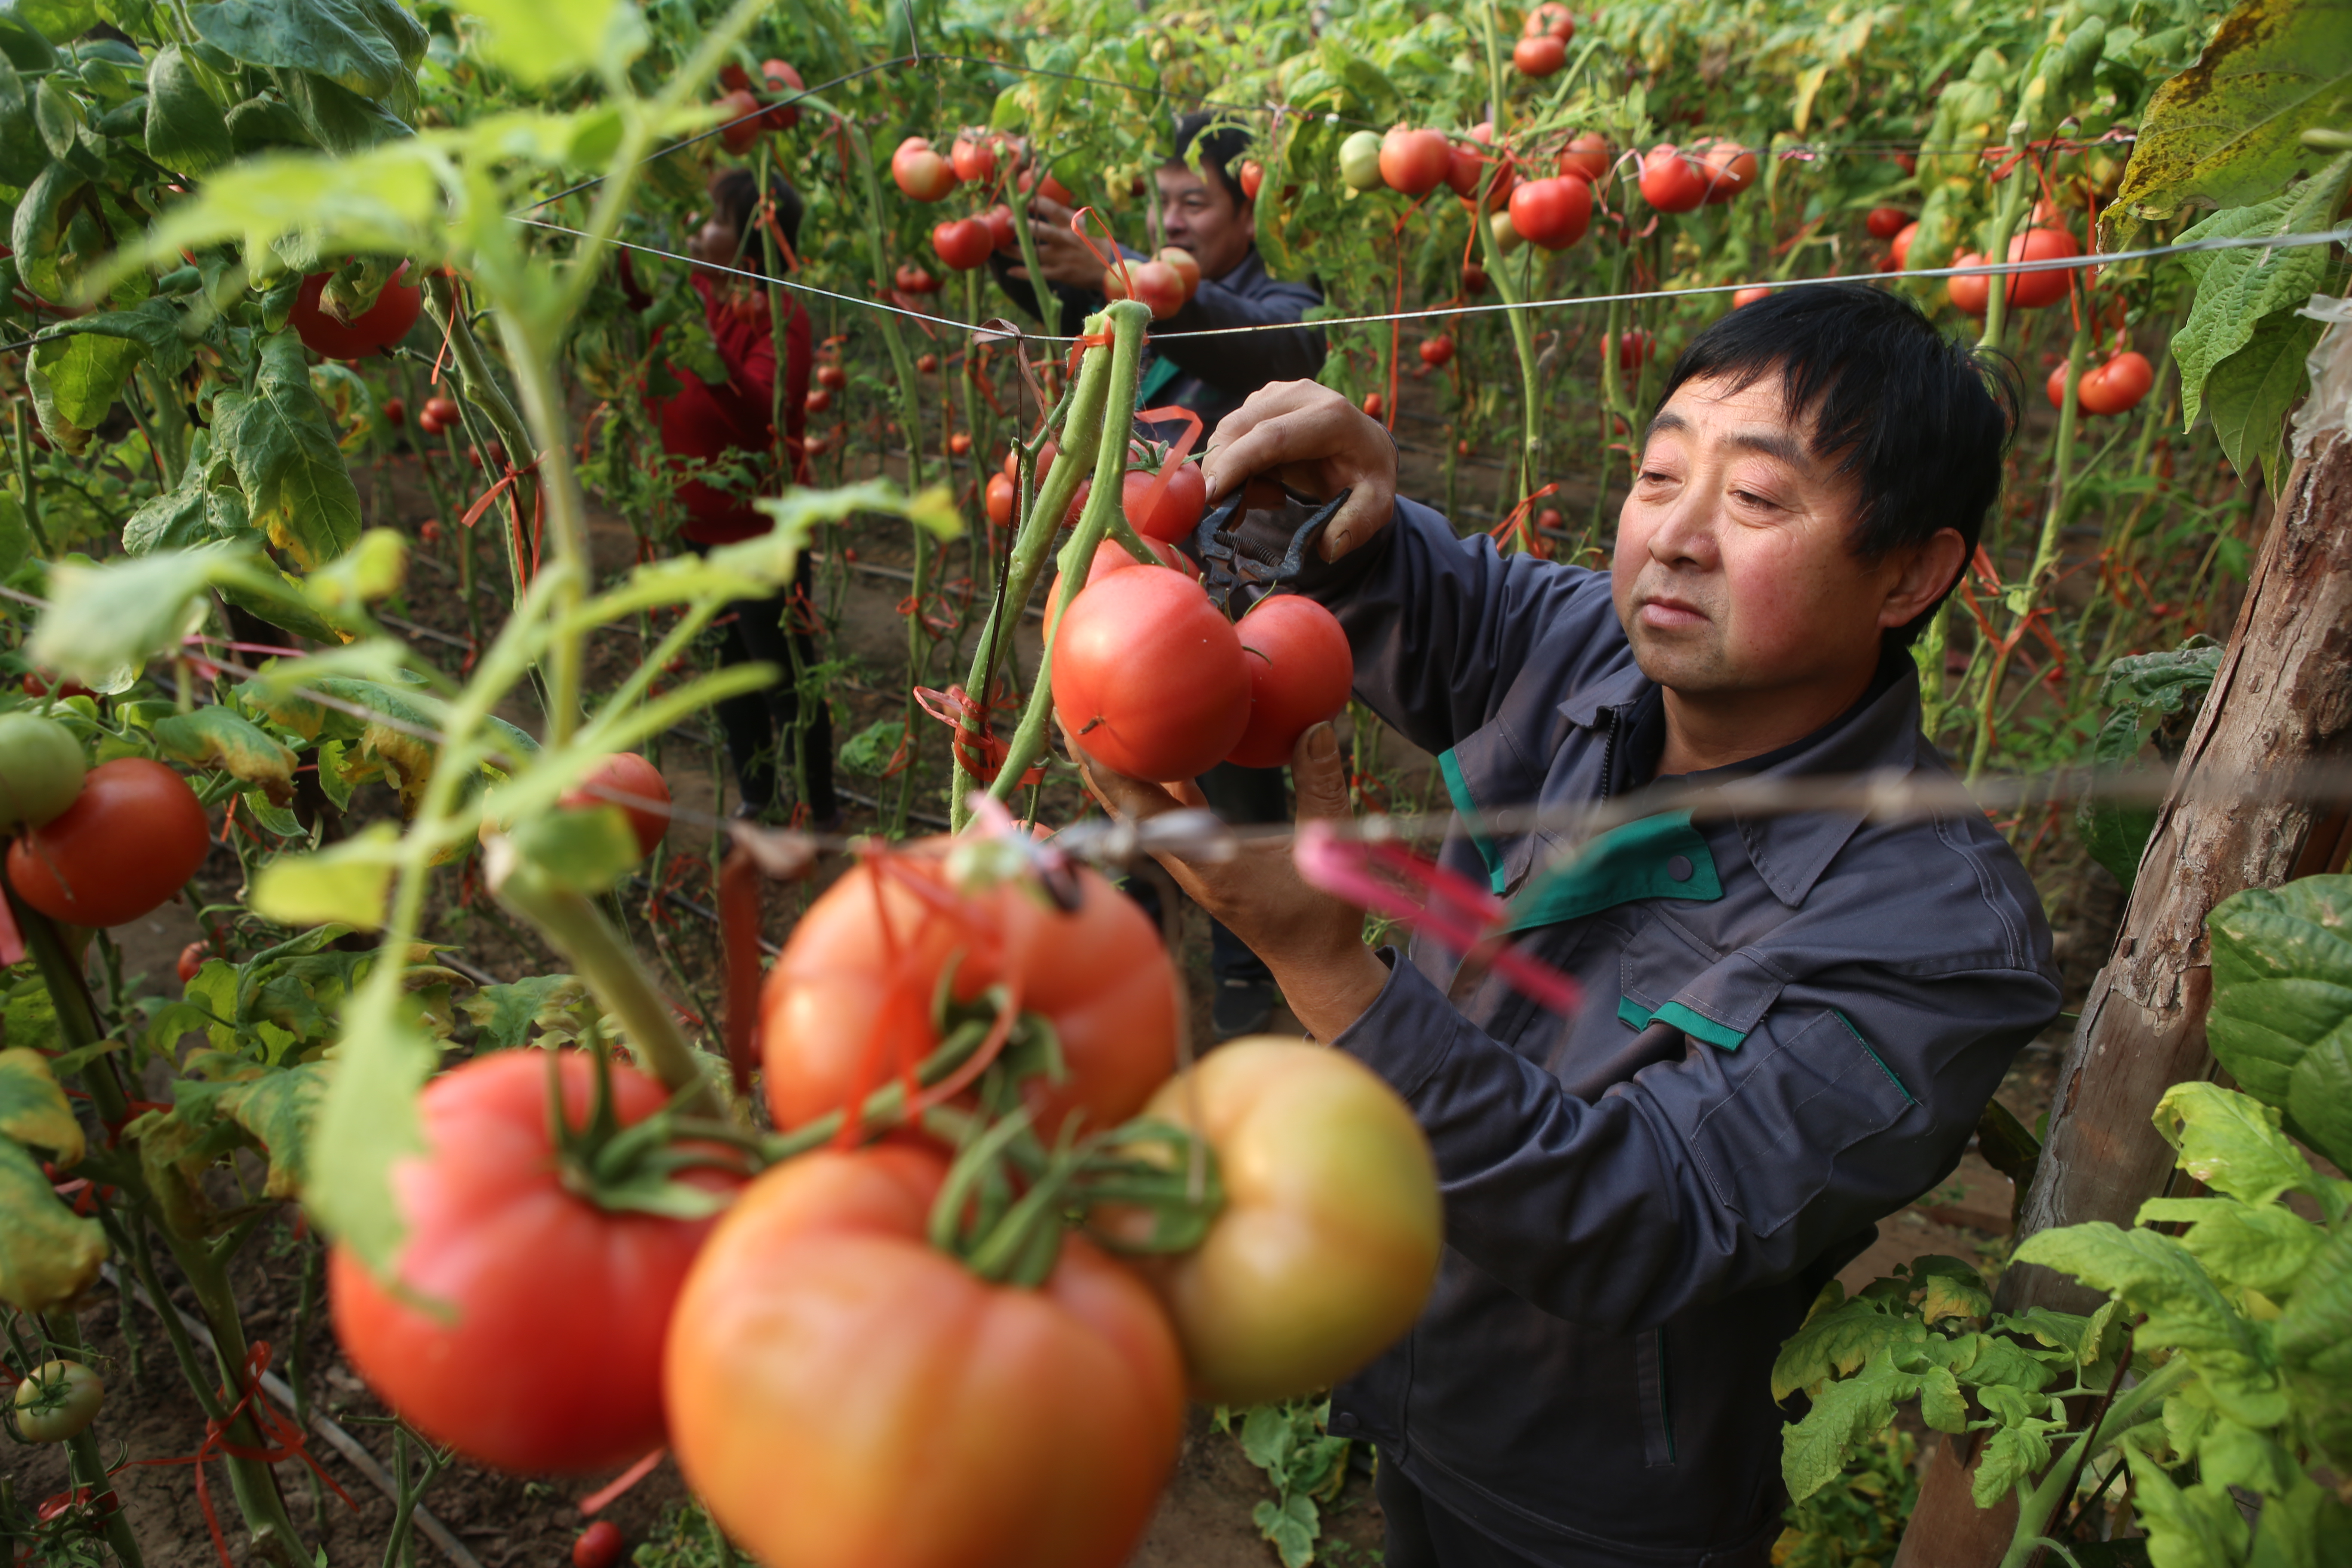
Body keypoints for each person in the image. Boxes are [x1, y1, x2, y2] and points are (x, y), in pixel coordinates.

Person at [1072, 285, 2064, 1567]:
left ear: (1911, 573)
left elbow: (1649, 1213)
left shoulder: (1937, 935)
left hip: (1597, 1506)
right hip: (1406, 1369)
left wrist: (1328, 968)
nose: (1677, 539)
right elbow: (1416, 587)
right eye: (1660, 477)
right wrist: (1327, 503)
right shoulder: (1593, 649)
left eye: (1756, 500)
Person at [996, 110, 1326, 1036]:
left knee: (1235, 799)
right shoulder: (1136, 280)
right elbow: (1046, 284)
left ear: (1248, 214)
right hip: (1129, 595)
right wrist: (1010, 213)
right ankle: (1140, 950)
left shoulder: (1283, 300)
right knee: (1127, 779)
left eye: (1197, 203)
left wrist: (1137, 284)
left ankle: (1245, 977)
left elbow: (1281, 346)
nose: (1174, 220)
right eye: (1163, 202)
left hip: (1230, 605)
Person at [655, 168, 836, 827]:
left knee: (784, 675)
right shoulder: (690, 292)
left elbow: (764, 410)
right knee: (726, 668)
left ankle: (820, 808)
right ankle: (756, 796)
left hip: (761, 532)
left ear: (752, 239)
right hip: (695, 518)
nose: (697, 230)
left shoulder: (781, 317)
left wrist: (705, 347)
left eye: (715, 221)